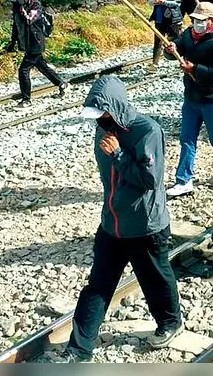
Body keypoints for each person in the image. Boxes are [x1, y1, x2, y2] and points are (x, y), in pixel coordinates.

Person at [62, 77, 181, 360]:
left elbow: (150, 180)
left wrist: (117, 155)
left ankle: (170, 321)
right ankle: (78, 350)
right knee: (97, 287)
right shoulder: (103, 130)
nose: (97, 121)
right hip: (111, 225)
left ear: (114, 108)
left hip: (145, 225)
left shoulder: (147, 131)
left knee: (154, 278)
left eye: (101, 114)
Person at [164, 2, 213, 196]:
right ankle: (183, 180)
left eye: (202, 21)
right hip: (191, 97)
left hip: (212, 98)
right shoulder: (189, 34)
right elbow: (179, 44)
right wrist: (171, 48)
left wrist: (194, 69)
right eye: (195, 20)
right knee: (186, 139)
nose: (197, 24)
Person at [7, 0, 67, 108]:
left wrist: (22, 7)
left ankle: (26, 100)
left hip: (36, 42)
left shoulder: (35, 4)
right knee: (42, 66)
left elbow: (30, 20)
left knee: (23, 70)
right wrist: (12, 42)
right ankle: (61, 83)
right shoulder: (17, 7)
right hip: (27, 42)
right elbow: (16, 26)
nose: (16, 0)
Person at [147, 0, 184, 69]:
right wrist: (155, 2)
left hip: (172, 19)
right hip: (159, 19)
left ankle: (181, 61)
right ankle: (155, 64)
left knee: (176, 41)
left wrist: (164, 2)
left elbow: (178, 3)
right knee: (157, 42)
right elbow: (150, 1)